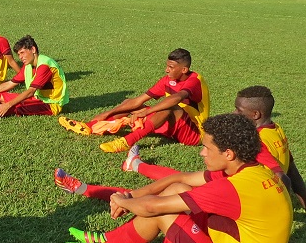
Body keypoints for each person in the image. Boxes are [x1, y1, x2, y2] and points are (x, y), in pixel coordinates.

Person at [58, 113, 293, 243]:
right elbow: (180, 178)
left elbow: (151, 207)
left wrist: (122, 201)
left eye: (206, 148)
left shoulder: (232, 188)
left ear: (228, 154)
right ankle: (110, 241)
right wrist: (131, 197)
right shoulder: (252, 171)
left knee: (164, 212)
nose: (202, 153)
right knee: (177, 189)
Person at [120, 85, 306, 209]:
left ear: (255, 114)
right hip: (243, 185)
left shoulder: (254, 140)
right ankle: (136, 166)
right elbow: (292, 170)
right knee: (185, 179)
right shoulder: (276, 130)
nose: (234, 113)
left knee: (180, 185)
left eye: (239, 110)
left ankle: (135, 167)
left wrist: (280, 213)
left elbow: (283, 178)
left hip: (238, 194)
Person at [58, 48, 209, 153]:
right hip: (173, 126)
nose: (166, 70)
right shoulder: (167, 80)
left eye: (171, 67)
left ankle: (126, 142)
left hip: (194, 133)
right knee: (129, 103)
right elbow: (138, 100)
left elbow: (176, 99)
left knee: (169, 107)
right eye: (167, 66)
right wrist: (108, 113)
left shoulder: (194, 80)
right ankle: (88, 127)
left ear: (184, 70)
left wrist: (147, 112)